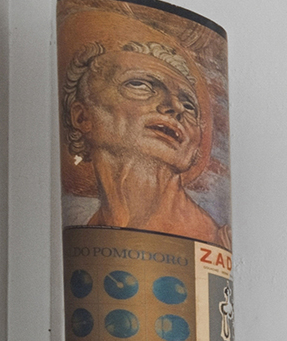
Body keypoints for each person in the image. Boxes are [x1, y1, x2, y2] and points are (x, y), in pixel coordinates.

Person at [63, 38, 223, 243]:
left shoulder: (216, 238)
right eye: (140, 85)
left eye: (189, 105)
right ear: (82, 117)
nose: (176, 106)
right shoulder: (85, 229)